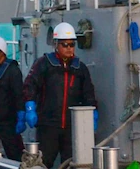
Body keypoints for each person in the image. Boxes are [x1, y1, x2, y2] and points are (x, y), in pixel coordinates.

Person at [23, 22, 98, 167]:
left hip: (71, 128)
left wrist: (93, 113)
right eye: (65, 45)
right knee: (44, 162)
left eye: (72, 45)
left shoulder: (80, 68)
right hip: (48, 126)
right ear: (56, 44)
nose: (69, 48)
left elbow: (88, 93)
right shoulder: (44, 64)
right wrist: (30, 107)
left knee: (70, 163)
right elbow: (29, 85)